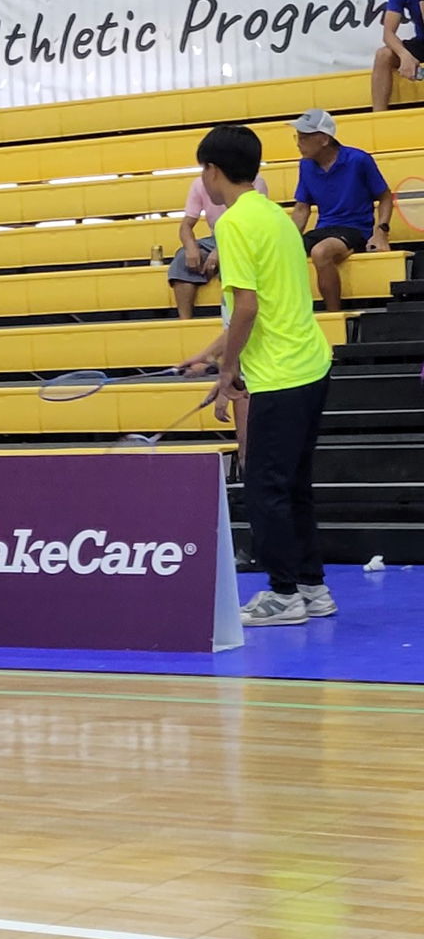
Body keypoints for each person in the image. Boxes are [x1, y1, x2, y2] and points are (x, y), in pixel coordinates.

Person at [197, 123, 335, 628]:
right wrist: (214, 354)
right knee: (294, 483)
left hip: (278, 375)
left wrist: (228, 369)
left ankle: (281, 593)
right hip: (311, 365)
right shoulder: (277, 219)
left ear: (213, 171)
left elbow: (249, 308)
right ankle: (312, 587)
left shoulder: (232, 225)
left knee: (265, 487)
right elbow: (268, 303)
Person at [290, 109, 392, 313]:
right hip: (324, 228)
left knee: (321, 252)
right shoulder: (306, 165)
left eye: (304, 137)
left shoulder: (358, 160)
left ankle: (334, 315)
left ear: (324, 139)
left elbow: (385, 197)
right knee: (278, 253)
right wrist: (286, 239)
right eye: (298, 137)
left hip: (355, 229)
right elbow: (302, 208)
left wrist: (381, 233)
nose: (298, 143)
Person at [168, 170, 270, 320]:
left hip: (246, 237)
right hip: (216, 237)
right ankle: (185, 323)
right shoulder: (199, 184)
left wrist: (220, 250)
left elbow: (251, 225)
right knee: (182, 258)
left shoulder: (253, 182)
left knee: (235, 259)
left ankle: (239, 320)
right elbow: (186, 226)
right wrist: (191, 247)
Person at [372, 0, 424, 111]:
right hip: (421, 41)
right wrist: (404, 55)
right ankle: (378, 118)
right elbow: (388, 33)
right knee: (383, 55)